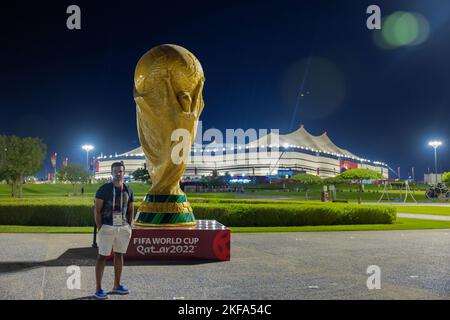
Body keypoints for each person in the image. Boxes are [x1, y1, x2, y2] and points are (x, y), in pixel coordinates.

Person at [93, 161, 134, 299]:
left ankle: (117, 285)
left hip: (123, 228)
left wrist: (129, 225)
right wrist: (100, 228)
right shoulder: (104, 189)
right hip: (107, 227)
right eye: (116, 171)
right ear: (111, 173)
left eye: (121, 171)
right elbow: (97, 211)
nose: (118, 173)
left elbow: (130, 209)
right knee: (102, 257)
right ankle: (98, 289)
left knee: (119, 255)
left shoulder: (128, 189)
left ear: (124, 172)